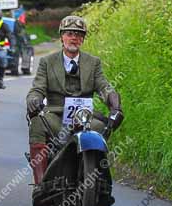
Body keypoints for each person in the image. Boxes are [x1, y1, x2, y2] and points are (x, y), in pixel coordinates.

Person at [26, 14, 124, 195]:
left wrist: (115, 106)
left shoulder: (93, 63)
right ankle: (41, 183)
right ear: (62, 36)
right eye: (70, 33)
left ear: (83, 39)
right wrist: (34, 100)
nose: (74, 37)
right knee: (37, 123)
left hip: (86, 119)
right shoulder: (47, 62)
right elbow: (37, 88)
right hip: (56, 116)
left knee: (102, 127)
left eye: (79, 34)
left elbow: (104, 87)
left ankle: (99, 180)